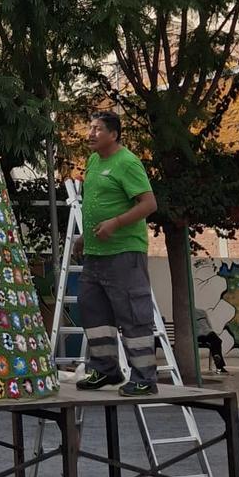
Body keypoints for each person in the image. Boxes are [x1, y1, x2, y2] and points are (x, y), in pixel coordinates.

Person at [76, 111, 160, 398]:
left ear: (113, 134)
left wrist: (116, 223)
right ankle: (105, 369)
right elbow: (98, 203)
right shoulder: (93, 161)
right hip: (94, 253)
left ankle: (145, 378)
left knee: (133, 315)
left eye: (97, 129)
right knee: (92, 310)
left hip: (124, 253)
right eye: (90, 128)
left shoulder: (127, 162)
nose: (90, 133)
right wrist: (83, 237)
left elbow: (149, 204)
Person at [195, 307, 229, 374]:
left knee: (217, 341)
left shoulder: (202, 311)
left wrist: (211, 331)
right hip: (199, 335)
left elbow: (208, 323)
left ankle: (217, 359)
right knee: (216, 342)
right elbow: (209, 324)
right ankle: (219, 366)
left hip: (205, 333)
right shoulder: (190, 313)